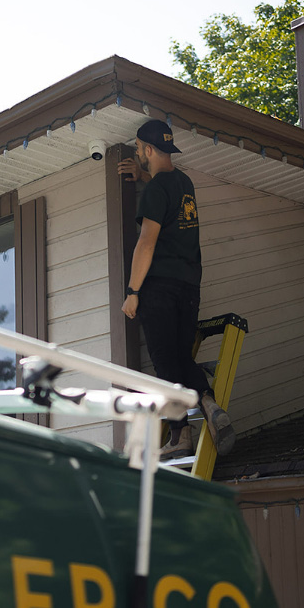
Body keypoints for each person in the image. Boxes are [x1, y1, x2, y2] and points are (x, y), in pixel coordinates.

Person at [118, 119, 235, 460]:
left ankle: (194, 419)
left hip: (160, 288)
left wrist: (132, 290)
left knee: (165, 361)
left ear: (149, 150)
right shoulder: (183, 182)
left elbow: (146, 243)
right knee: (181, 355)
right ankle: (201, 414)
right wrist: (142, 177)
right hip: (189, 285)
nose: (138, 153)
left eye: (139, 149)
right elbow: (164, 191)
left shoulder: (156, 191)